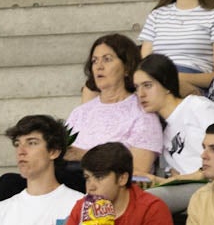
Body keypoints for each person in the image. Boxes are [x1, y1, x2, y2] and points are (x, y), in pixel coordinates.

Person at [136, 54, 214, 216]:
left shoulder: (197, 106)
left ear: (166, 84)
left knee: (144, 203)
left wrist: (188, 177)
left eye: (147, 85)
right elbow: (177, 176)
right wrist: (157, 181)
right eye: (137, 87)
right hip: (189, 188)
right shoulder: (162, 130)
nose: (141, 94)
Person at [69, 33, 164, 177]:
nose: (99, 67)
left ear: (127, 67)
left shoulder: (142, 112)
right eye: (95, 61)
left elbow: (138, 171)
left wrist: (82, 155)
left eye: (107, 59)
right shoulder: (80, 112)